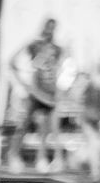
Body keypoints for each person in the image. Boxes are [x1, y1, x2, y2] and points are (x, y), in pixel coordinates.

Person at [4, 18, 65, 172]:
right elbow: (12, 62)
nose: (50, 31)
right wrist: (24, 84)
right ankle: (13, 155)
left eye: (53, 28)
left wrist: (59, 91)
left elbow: (57, 71)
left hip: (49, 95)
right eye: (48, 27)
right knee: (23, 125)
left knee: (47, 128)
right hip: (36, 93)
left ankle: (42, 159)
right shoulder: (34, 45)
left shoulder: (57, 49)